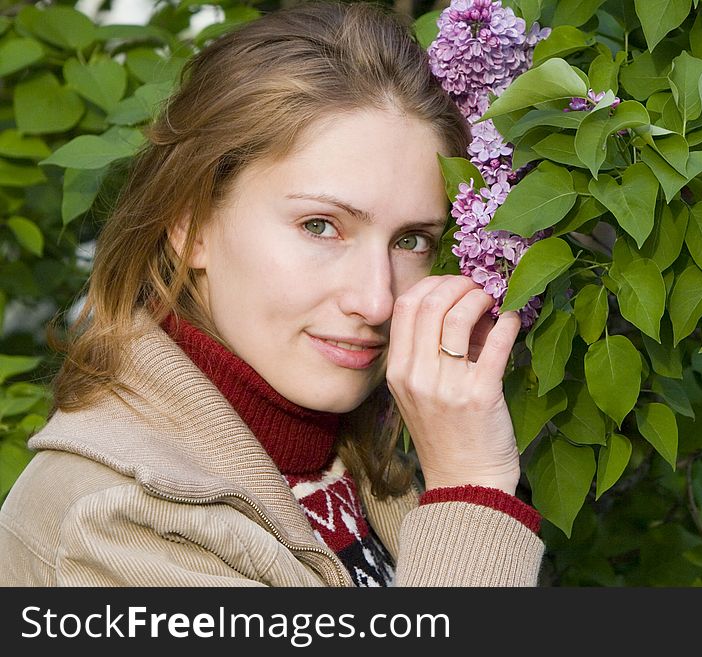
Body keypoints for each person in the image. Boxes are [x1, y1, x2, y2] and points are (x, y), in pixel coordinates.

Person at [0, 1, 544, 587]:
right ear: (191, 226)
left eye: (411, 239)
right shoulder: (115, 521)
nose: (377, 301)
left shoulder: (352, 464)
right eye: (320, 226)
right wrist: (472, 489)